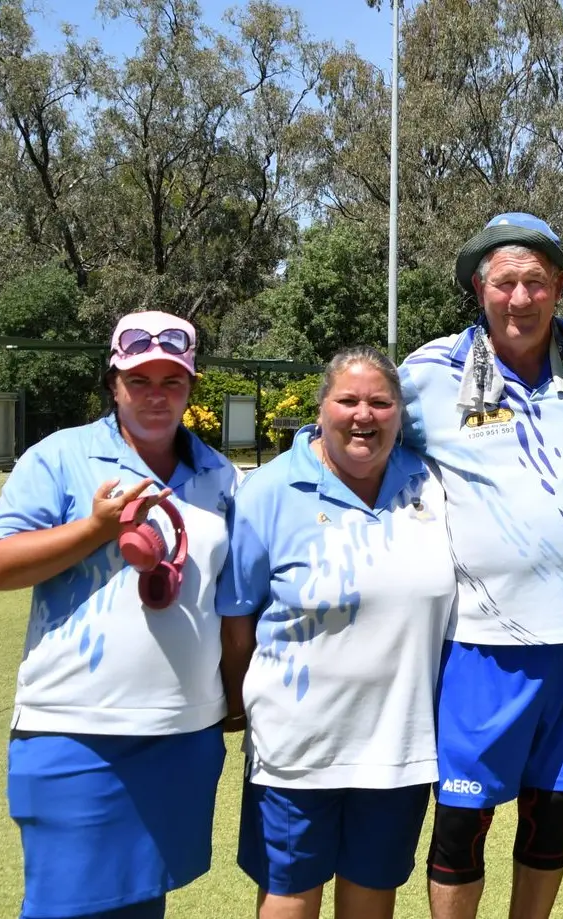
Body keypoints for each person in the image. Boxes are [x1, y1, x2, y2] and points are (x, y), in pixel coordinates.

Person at [398, 213, 563, 919]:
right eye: (504, 283)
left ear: (558, 284)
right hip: (480, 643)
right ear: (479, 289)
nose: (520, 298)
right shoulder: (428, 372)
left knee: (549, 819)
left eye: (536, 281)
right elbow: (351, 440)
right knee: (461, 824)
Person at [0, 311, 240, 919]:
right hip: (74, 729)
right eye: (138, 381)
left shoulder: (221, 475)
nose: (156, 395)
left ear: (191, 387)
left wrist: (233, 700)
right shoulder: (60, 456)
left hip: (181, 732)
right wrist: (95, 528)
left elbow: (228, 602)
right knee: (63, 905)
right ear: (113, 385)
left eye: (171, 381)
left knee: (142, 903)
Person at [218, 346, 455, 919]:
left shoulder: (430, 483)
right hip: (296, 747)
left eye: (381, 402)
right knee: (290, 897)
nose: (364, 415)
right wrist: (238, 706)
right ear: (321, 408)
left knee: (372, 898)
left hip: (400, 747)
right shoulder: (269, 491)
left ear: (400, 413)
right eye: (348, 400)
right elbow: (236, 621)